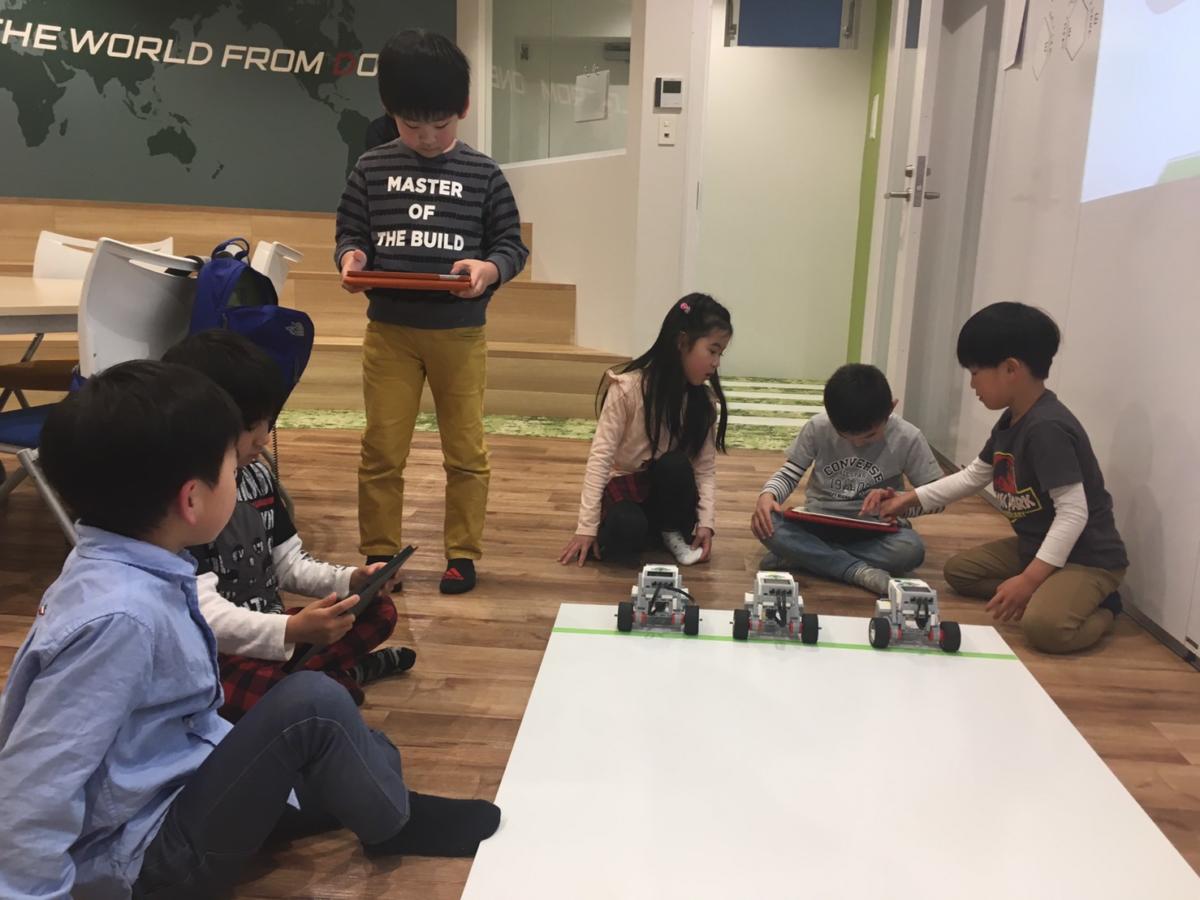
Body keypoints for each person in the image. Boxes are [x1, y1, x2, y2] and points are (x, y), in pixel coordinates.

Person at [0, 361, 499, 898]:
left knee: (370, 754)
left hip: (177, 789)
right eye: (231, 470)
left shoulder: (126, 568)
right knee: (314, 704)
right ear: (192, 499)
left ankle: (370, 802)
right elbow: (33, 785)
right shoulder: (119, 618)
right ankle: (394, 826)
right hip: (149, 864)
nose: (240, 476)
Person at [335, 29, 529, 595]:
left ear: (463, 109)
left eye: (439, 125)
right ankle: (379, 555)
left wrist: (489, 269)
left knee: (465, 449)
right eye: (410, 124)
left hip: (458, 335)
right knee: (381, 448)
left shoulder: (484, 173)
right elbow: (351, 232)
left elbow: (511, 245)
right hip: (389, 332)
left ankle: (462, 553)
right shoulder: (370, 168)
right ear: (388, 110)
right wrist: (351, 258)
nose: (425, 137)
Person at [163, 330, 415, 722]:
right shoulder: (183, 505)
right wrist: (292, 630)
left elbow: (287, 563)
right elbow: (202, 614)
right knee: (281, 699)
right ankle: (333, 679)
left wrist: (351, 581)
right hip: (216, 652)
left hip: (273, 632)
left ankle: (323, 681)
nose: (264, 438)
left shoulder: (257, 477)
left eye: (270, 421)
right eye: (253, 425)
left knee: (375, 610)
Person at [875, 302, 1128, 653]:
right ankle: (1053, 589)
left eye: (976, 372)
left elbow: (1073, 513)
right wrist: (908, 499)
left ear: (1010, 369)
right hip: (1036, 546)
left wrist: (1029, 580)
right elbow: (973, 476)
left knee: (1044, 628)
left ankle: (1107, 607)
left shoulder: (1047, 428)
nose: (972, 385)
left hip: (1087, 557)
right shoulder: (1012, 419)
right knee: (960, 572)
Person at [559, 294, 732, 568]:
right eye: (712, 351)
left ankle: (668, 533)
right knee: (626, 527)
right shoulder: (627, 389)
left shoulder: (703, 402)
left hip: (670, 503)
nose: (716, 362)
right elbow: (600, 459)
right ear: (682, 342)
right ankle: (643, 537)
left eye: (720, 353)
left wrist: (705, 524)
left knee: (675, 465)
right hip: (627, 493)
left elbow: (704, 468)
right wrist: (586, 528)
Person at [751, 363, 944, 595]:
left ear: (891, 408)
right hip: (818, 522)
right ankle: (857, 571)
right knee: (767, 524)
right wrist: (768, 495)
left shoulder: (908, 437)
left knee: (911, 550)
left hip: (876, 530)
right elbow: (790, 472)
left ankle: (806, 556)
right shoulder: (818, 426)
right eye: (845, 436)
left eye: (870, 435)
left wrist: (899, 502)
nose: (858, 444)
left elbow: (937, 498)